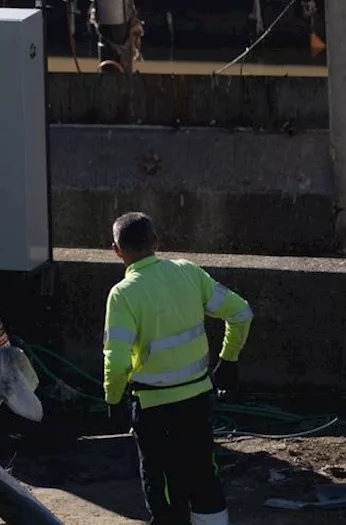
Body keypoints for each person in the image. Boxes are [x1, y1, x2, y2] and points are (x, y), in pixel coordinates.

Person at [102, 212, 253, 525]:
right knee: (203, 476)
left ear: (117, 250)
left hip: (153, 408)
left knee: (163, 486)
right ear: (156, 242)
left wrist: (113, 399)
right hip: (198, 400)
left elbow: (116, 362)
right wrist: (229, 360)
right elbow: (241, 313)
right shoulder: (188, 272)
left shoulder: (122, 294)